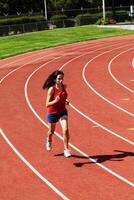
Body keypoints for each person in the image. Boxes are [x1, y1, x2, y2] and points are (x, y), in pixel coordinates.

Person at [43, 70, 71, 158]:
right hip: (53, 113)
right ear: (55, 80)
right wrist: (55, 101)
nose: (61, 80)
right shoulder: (52, 89)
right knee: (51, 132)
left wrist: (65, 101)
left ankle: (66, 149)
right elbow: (47, 104)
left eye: (62, 78)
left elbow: (63, 96)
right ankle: (49, 140)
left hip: (62, 111)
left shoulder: (64, 87)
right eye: (59, 79)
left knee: (65, 130)